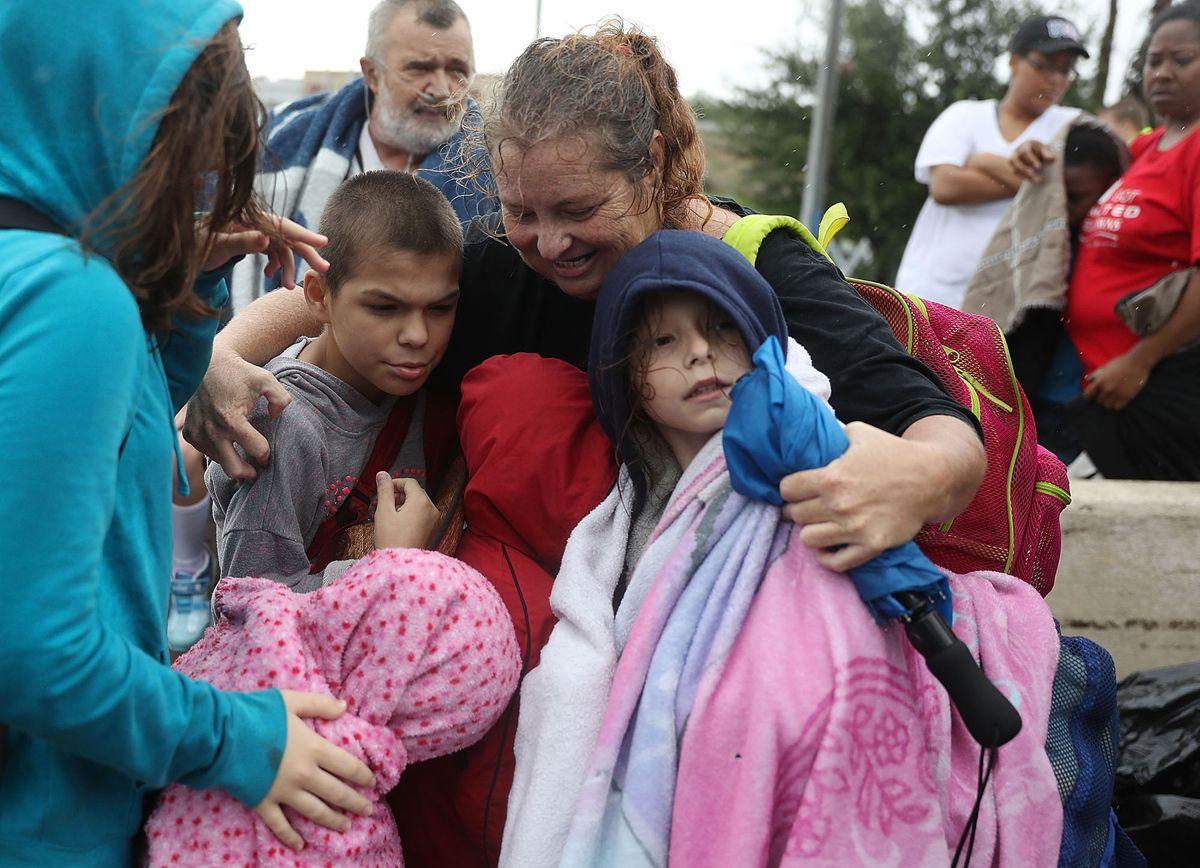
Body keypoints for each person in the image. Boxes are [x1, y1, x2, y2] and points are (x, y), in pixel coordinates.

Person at [186, 20, 987, 578]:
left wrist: (918, 479)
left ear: (651, 164)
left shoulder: (752, 268)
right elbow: (348, 291)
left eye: (577, 211)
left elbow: (943, 428)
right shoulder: (513, 271)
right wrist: (219, 358)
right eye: (519, 211)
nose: (551, 243)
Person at [501, 230, 1062, 867]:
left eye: (721, 329)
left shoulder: (805, 433)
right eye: (663, 340)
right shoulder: (620, 517)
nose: (699, 353)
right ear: (627, 377)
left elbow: (864, 581)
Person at [0, 2, 380, 864]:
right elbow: (32, 651)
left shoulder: (32, 273)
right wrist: (237, 736)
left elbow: (119, 458)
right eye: (193, 149)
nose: (205, 178)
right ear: (123, 115)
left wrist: (190, 283)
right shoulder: (71, 298)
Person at [208, 170, 464, 589]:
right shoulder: (282, 425)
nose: (418, 336)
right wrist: (390, 567)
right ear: (318, 297)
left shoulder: (422, 380)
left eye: (440, 309)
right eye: (383, 308)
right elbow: (247, 609)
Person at [1058, 0, 1200, 479]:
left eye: (1181, 60)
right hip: (1110, 384)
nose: (1161, 73)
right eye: (1153, 61)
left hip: (1159, 387)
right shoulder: (1142, 149)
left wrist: (1140, 361)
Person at [894, 14, 1088, 310]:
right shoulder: (964, 115)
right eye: (1043, 65)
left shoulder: (1072, 125)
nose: (1055, 79)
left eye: (1066, 70)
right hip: (928, 294)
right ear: (1013, 61)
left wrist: (981, 160)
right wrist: (1034, 180)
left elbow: (1066, 197)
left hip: (1008, 306)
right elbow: (945, 187)